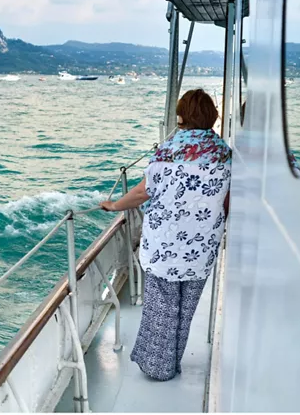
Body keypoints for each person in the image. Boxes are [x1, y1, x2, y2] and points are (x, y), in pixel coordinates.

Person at [99, 88, 232, 381]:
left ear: (181, 117)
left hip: (165, 245)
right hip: (202, 246)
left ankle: (160, 368)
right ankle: (172, 362)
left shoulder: (168, 151)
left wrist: (114, 205)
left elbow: (142, 192)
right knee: (185, 309)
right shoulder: (225, 153)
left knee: (162, 308)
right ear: (212, 116)